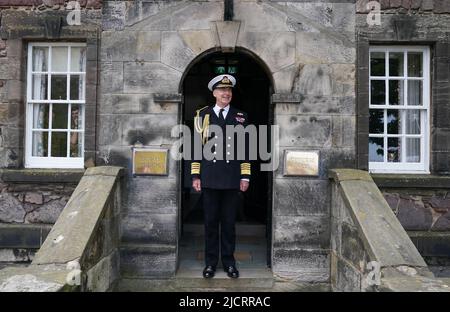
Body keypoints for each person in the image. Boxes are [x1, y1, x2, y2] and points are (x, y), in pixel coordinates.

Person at [191, 74, 251, 279]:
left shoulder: (240, 116)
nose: (226, 93)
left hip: (232, 178)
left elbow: (245, 150)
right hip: (209, 177)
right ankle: (210, 264)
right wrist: (195, 175)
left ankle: (229, 263)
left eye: (229, 90)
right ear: (214, 93)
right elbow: (196, 149)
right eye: (222, 90)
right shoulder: (202, 116)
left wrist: (245, 177)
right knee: (209, 224)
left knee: (228, 225)